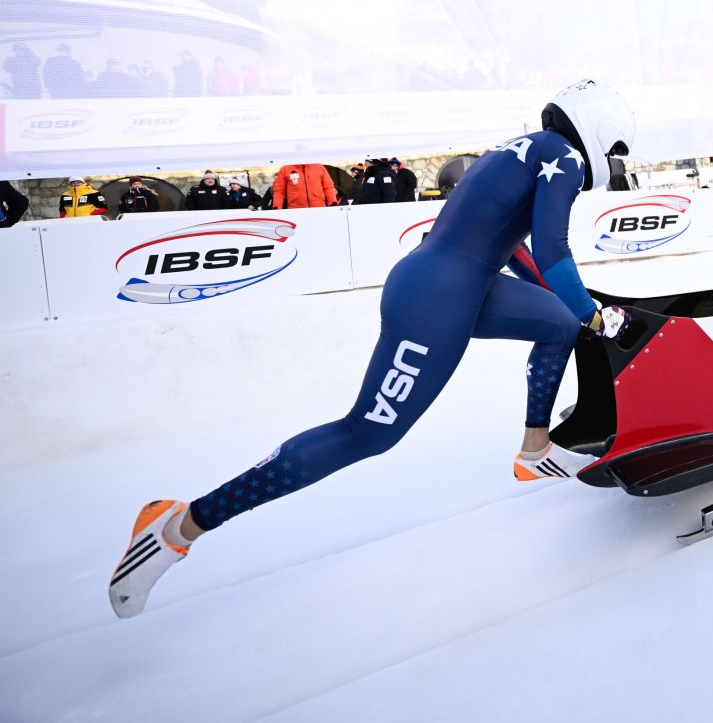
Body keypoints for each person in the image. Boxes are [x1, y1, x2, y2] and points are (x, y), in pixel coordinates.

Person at [108, 80, 638, 618]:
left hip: (452, 281)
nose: (612, 164)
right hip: (438, 298)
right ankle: (180, 523)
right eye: (616, 154)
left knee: (558, 324)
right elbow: (552, 249)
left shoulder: (525, 146)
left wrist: (575, 307)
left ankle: (534, 450)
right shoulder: (565, 157)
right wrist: (593, 313)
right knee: (366, 432)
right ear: (601, 133)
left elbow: (514, 246)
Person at [271, 164, 338, 209]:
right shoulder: (285, 169)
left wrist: (332, 203)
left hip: (319, 209)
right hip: (296, 210)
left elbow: (328, 187)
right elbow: (279, 191)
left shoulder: (319, 167)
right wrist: (276, 207)